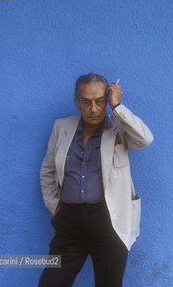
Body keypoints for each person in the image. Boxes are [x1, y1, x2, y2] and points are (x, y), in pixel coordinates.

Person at [38, 72, 153, 287]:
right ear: (77, 102)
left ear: (106, 100)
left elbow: (145, 138)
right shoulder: (62, 127)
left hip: (109, 221)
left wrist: (117, 106)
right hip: (69, 222)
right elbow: (47, 170)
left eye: (99, 101)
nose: (93, 109)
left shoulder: (119, 128)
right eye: (86, 102)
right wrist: (55, 206)